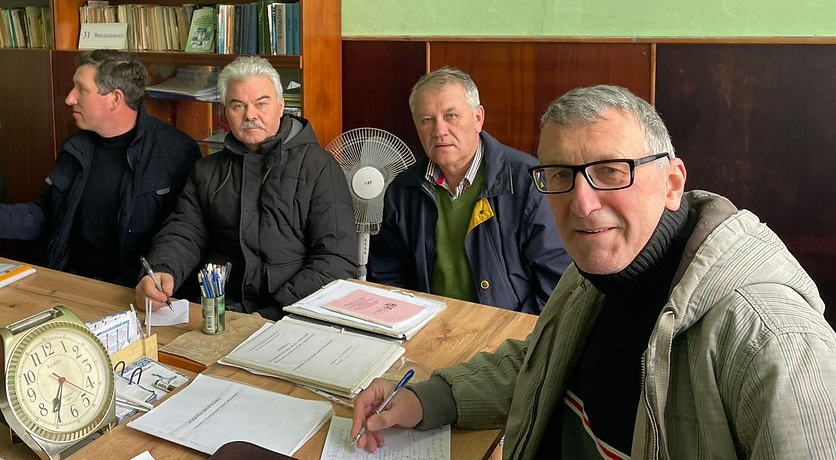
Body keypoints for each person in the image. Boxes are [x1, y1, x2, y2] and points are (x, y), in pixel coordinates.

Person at [352, 84, 836, 458]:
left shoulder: (770, 338)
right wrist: (426, 400)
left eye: (610, 171)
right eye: (561, 175)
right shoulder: (594, 276)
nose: (582, 204)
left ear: (671, 183)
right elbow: (541, 362)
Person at [0, 50, 201, 286]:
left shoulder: (175, 152)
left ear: (114, 99)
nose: (69, 98)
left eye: (81, 89)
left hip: (136, 292)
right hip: (70, 283)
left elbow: (179, 239)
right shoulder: (76, 147)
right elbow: (48, 215)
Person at [136, 55, 357, 320]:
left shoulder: (319, 168)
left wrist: (273, 312)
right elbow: (185, 232)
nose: (250, 115)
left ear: (281, 106)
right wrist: (163, 268)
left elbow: (336, 260)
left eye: (261, 103)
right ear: (225, 112)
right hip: (222, 311)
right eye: (238, 105)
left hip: (290, 315)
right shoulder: (208, 170)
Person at [369, 68, 570, 313]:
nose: (439, 131)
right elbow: (388, 277)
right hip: (427, 326)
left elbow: (556, 286)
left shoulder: (529, 183)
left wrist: (509, 331)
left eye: (451, 116)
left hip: (509, 330)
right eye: (427, 120)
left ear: (478, 118)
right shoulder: (402, 191)